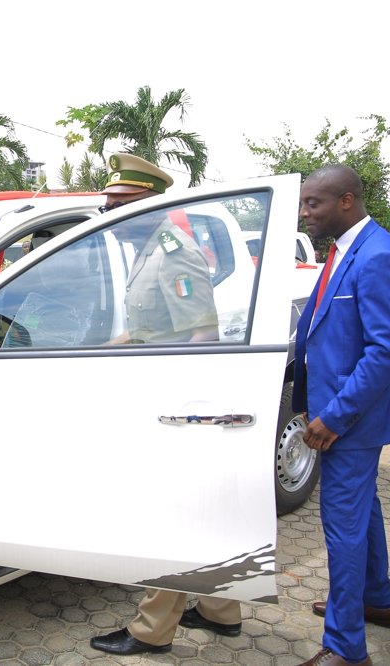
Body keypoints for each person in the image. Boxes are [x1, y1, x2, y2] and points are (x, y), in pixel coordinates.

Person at [90, 153, 241, 656]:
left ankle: (150, 631)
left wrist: (180, 408)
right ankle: (220, 611)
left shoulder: (174, 251)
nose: (109, 214)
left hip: (177, 406)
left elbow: (203, 332)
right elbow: (154, 329)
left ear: (149, 207)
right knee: (199, 514)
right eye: (108, 203)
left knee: (170, 519)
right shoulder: (148, 250)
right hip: (165, 397)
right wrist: (94, 355)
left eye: (119, 205)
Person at [292, 164, 390, 666]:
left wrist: (335, 417)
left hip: (352, 420)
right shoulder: (346, 249)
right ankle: (377, 601)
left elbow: (386, 351)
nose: (305, 213)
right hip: (343, 412)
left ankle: (345, 646)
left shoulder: (380, 257)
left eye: (313, 204)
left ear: (346, 201)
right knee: (364, 512)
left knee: (342, 525)